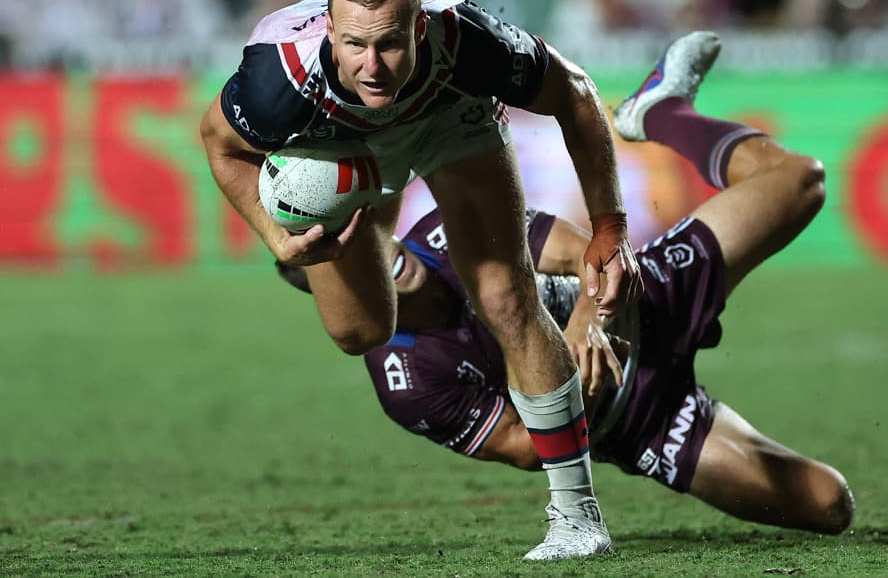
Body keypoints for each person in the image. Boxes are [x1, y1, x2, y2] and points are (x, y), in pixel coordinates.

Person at [278, 31, 856, 536]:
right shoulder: (406, 386)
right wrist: (556, 374)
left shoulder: (445, 232)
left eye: (366, 236)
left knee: (801, 180)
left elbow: (590, 252)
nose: (379, 252)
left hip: (641, 298)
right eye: (352, 264)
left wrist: (588, 317)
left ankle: (659, 113)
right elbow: (529, 451)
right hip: (635, 417)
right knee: (829, 504)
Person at [198, 0, 643, 559]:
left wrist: (608, 224)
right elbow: (219, 145)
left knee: (506, 299)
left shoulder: (470, 41)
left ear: (421, 27)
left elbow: (576, 94)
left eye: (390, 44)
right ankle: (375, 214)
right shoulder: (280, 79)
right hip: (340, 150)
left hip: (450, 123)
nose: (373, 65)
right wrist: (275, 236)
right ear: (330, 30)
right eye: (354, 44)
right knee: (359, 331)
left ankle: (578, 517)